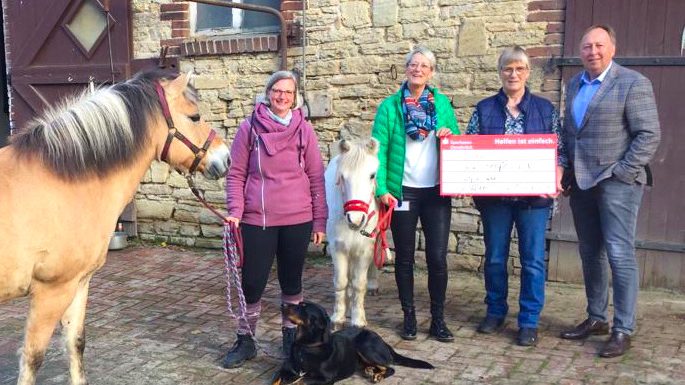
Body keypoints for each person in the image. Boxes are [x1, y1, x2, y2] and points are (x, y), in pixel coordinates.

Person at [559, 25, 660, 358]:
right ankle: (597, 318)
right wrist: (567, 169)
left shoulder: (633, 83)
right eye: (586, 46)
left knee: (619, 252)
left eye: (599, 45)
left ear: (612, 49)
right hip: (583, 182)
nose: (593, 52)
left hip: (617, 182)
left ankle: (623, 328)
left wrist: (622, 172)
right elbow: (570, 132)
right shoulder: (574, 84)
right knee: (590, 252)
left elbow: (648, 135)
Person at [222, 70, 327, 368]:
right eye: (277, 91)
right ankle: (246, 341)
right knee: (252, 283)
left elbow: (316, 177)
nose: (282, 96)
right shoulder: (249, 129)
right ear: (268, 93)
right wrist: (235, 212)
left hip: (297, 218)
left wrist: (319, 221)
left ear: (295, 98)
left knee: (291, 284)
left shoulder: (304, 130)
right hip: (258, 219)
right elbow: (237, 174)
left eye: (288, 93)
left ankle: (291, 340)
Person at [465, 46, 567, 347]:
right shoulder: (483, 109)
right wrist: (464, 177)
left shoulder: (544, 109)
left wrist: (557, 177)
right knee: (495, 259)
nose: (513, 74)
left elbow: (559, 150)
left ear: (527, 72)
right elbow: (468, 148)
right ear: (500, 72)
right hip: (495, 200)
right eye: (508, 68)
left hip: (533, 201)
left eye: (519, 68)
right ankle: (496, 311)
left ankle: (529, 320)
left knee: (533, 261)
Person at [372, 46, 460, 342]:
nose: (418, 69)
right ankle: (409, 316)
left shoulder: (443, 104)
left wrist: (449, 136)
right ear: (406, 69)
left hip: (436, 192)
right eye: (413, 64)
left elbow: (459, 141)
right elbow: (378, 150)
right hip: (402, 191)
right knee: (405, 258)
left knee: (437, 257)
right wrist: (382, 189)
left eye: (424, 65)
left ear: (431, 72)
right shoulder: (389, 107)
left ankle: (438, 319)